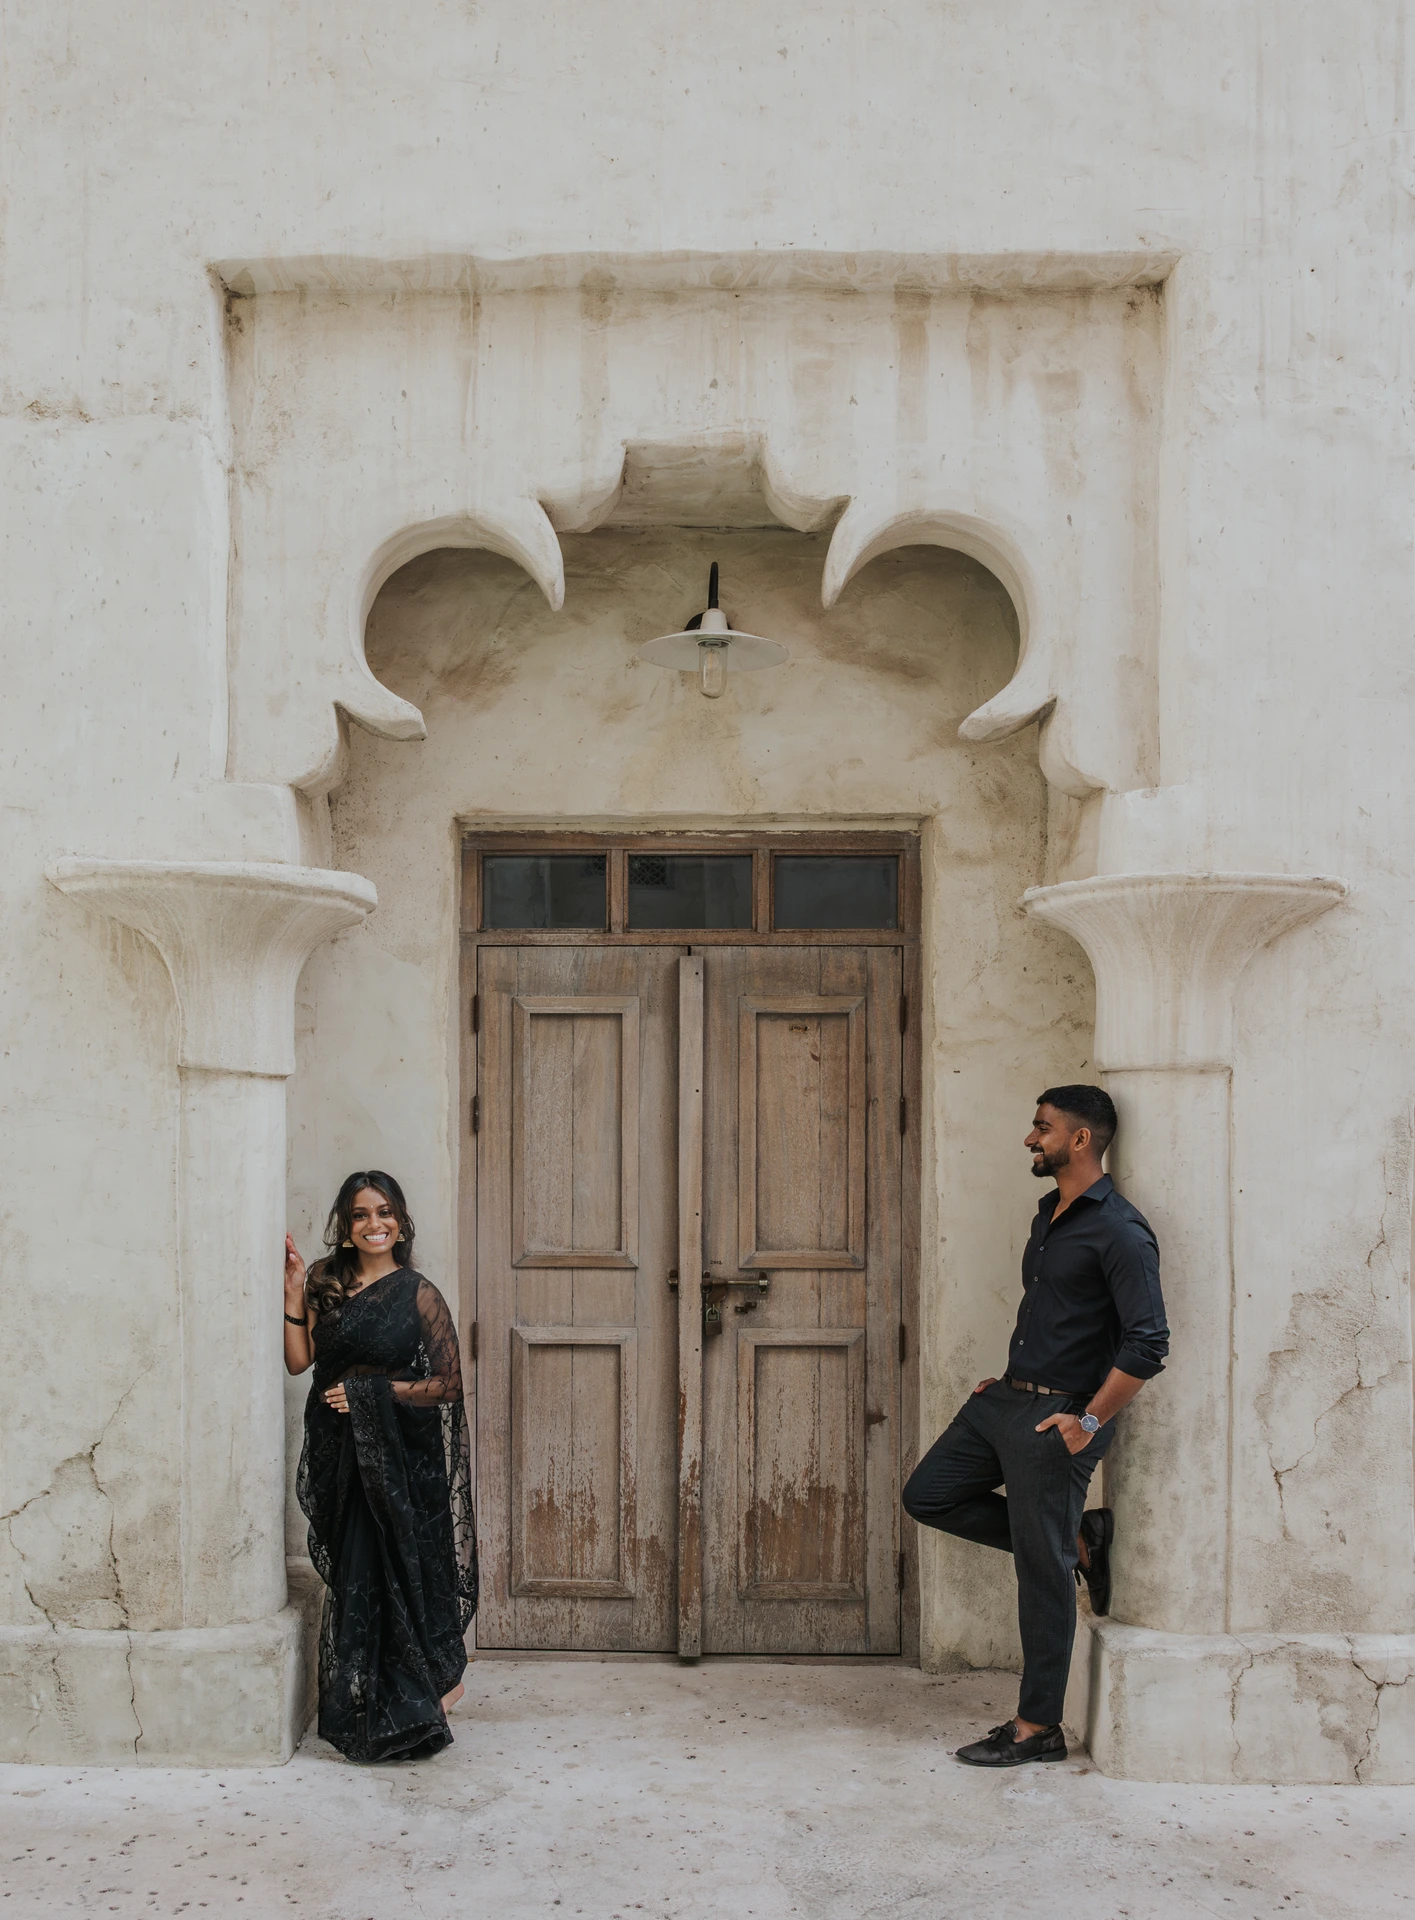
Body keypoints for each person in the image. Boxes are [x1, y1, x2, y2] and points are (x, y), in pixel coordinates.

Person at [902, 1085, 1168, 1768]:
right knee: (927, 1495)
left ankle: (1035, 1728)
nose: (1030, 1138)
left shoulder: (1120, 1230)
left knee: (1039, 1580)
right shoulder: (1049, 1213)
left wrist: (1084, 1420)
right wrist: (1007, 1381)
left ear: (1080, 1140)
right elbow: (1052, 1314)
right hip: (1005, 1399)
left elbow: (1146, 1344)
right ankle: (1073, 1540)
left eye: (1041, 1128)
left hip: (1057, 1420)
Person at [284, 1170, 478, 1763]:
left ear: (401, 1221)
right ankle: (369, 1694)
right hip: (338, 1453)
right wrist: (294, 1298)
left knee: (402, 1564)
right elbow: (299, 1364)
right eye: (362, 1214)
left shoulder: (419, 1293)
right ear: (345, 1227)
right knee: (353, 1574)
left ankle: (430, 1688)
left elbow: (446, 1386)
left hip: (400, 1459)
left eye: (385, 1212)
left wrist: (376, 1395)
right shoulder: (324, 1281)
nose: (375, 1224)